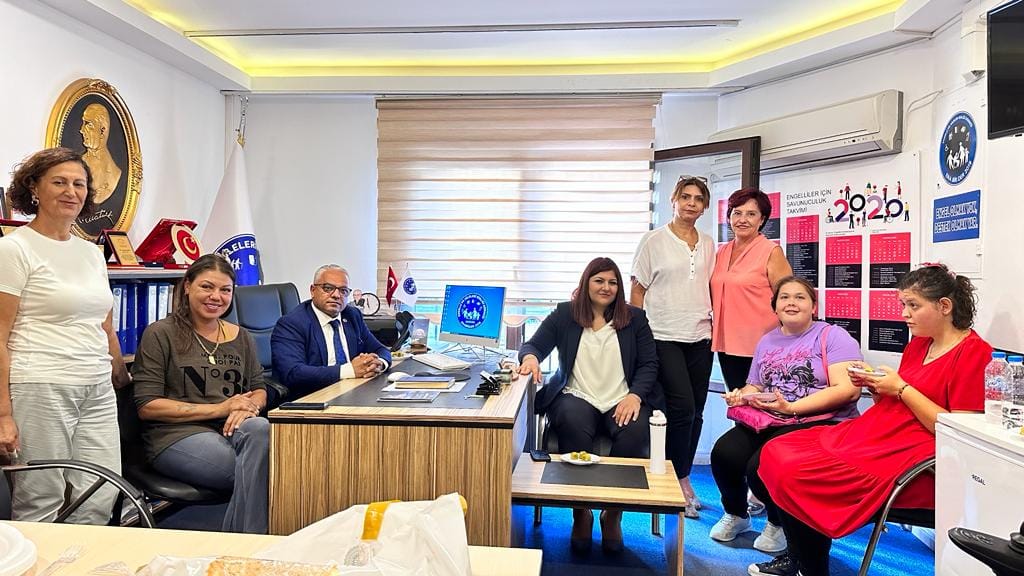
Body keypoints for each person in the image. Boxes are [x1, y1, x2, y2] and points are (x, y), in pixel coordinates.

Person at [752, 264, 992, 576]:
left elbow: (958, 431)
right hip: (880, 432)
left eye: (913, 305)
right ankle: (802, 560)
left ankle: (809, 566)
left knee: (796, 471)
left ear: (944, 306)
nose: (904, 314)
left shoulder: (975, 353)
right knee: (776, 453)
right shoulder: (920, 343)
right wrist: (878, 388)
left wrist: (901, 388)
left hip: (916, 453)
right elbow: (898, 402)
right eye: (903, 304)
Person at [0, 147, 128, 523]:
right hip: (40, 384)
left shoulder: (91, 253)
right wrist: (3, 414)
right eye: (59, 182)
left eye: (79, 184)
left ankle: (78, 556)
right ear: (34, 188)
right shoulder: (13, 249)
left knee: (101, 493)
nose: (71, 191)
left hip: (96, 386)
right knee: (41, 497)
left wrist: (122, 376)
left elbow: (104, 325)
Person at [708, 276, 862, 556]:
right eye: (784, 297)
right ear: (775, 307)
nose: (791, 303)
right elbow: (756, 385)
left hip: (820, 421)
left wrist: (791, 408)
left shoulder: (833, 336)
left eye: (800, 297)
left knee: (760, 464)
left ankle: (777, 523)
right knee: (724, 453)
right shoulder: (767, 340)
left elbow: (848, 391)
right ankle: (737, 514)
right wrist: (741, 395)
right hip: (773, 418)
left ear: (813, 306)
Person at [518, 257, 659, 555]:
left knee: (635, 430)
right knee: (571, 419)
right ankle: (581, 511)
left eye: (612, 282)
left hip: (621, 398)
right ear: (586, 284)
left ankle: (613, 513)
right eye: (599, 281)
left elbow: (649, 364)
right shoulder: (565, 314)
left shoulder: (635, 319)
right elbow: (533, 346)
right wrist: (530, 359)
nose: (606, 287)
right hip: (576, 394)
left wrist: (635, 395)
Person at [132, 254, 269, 534]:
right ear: (187, 286)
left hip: (232, 430)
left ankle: (243, 543)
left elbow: (259, 389)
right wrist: (220, 408)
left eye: (225, 290)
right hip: (177, 435)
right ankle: (249, 542)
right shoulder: (160, 333)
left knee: (260, 428)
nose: (216, 296)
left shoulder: (242, 337)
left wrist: (249, 407)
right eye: (207, 287)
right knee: (261, 471)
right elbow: (147, 405)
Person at [630, 176, 715, 518]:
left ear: (704, 206)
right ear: (674, 201)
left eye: (698, 198)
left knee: (697, 412)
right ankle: (679, 480)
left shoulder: (708, 243)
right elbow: (637, 290)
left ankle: (683, 474)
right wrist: (636, 335)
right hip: (663, 335)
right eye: (685, 197)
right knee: (682, 409)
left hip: (701, 336)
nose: (691, 203)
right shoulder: (653, 240)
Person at [711, 187, 793, 392]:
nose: (743, 220)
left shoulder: (771, 251)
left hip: (761, 345)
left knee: (760, 403)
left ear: (762, 219)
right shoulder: (722, 252)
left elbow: (788, 298)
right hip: (727, 345)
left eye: (751, 214)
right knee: (737, 400)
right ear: (729, 217)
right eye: (737, 213)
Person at [271, 264, 391, 402]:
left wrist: (378, 364)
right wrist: (350, 370)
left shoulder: (352, 315)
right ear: (313, 290)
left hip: (351, 393)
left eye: (343, 290)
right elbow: (293, 373)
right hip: (310, 400)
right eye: (328, 288)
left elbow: (380, 349)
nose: (336, 295)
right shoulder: (292, 323)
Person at [79, 103, 122, 205]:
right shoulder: (77, 164)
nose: (81, 130)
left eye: (88, 124)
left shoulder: (114, 173)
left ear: (102, 131)